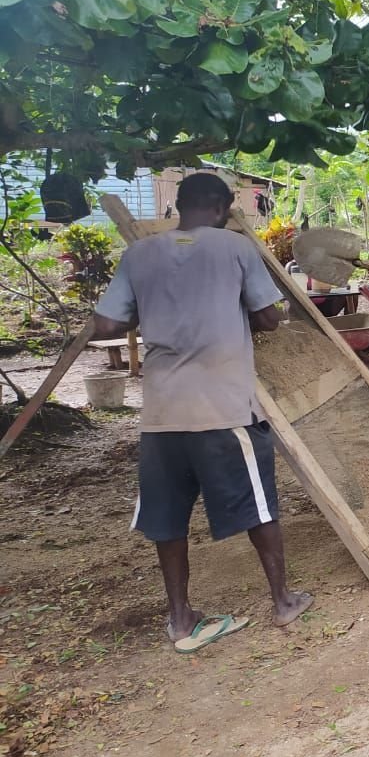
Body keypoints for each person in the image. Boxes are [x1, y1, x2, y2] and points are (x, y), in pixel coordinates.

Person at [93, 173, 313, 650]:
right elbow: (268, 319)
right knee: (258, 505)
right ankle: (282, 601)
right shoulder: (236, 248)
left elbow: (106, 324)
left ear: (180, 205)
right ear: (221, 208)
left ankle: (180, 618)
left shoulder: (139, 254)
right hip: (223, 407)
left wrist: (153, 308)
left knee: (168, 517)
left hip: (162, 414)